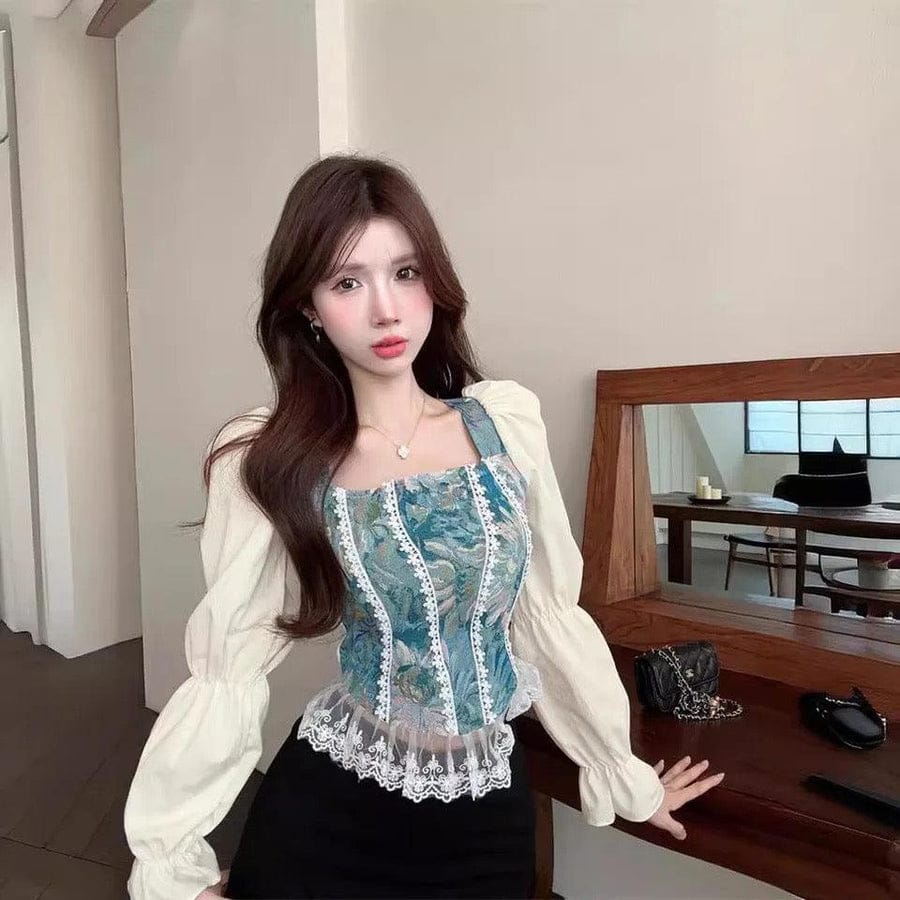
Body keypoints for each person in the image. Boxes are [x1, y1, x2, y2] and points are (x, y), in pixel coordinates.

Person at [123, 153, 725, 900]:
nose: (386, 310)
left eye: (405, 273)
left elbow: (546, 617)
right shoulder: (274, 457)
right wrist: (170, 866)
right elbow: (228, 666)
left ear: (433, 281)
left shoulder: (505, 425)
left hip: (486, 815)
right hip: (330, 813)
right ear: (308, 306)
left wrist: (625, 776)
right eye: (348, 282)